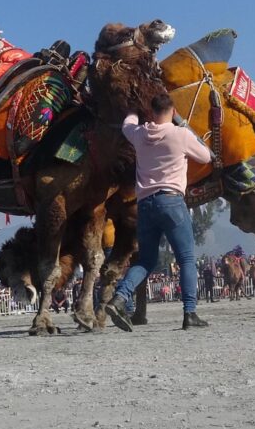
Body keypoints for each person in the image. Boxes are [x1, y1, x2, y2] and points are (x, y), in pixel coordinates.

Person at [105, 93, 212, 331]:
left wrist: (134, 110)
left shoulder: (140, 134)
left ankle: (120, 297)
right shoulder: (180, 135)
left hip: (144, 204)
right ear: (173, 112)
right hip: (171, 201)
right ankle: (189, 313)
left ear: (151, 113)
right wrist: (184, 125)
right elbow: (206, 156)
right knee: (185, 258)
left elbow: (127, 125)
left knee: (146, 260)